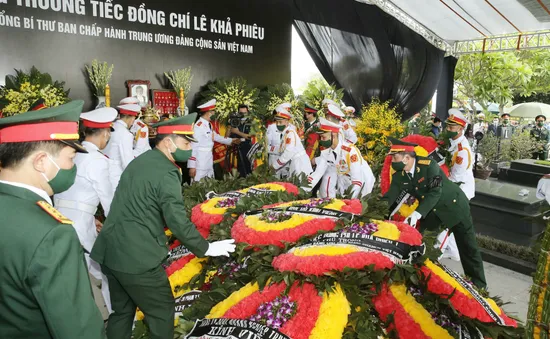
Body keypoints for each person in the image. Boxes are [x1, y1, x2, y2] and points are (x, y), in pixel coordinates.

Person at [91, 113, 236, 339]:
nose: (189, 148)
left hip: (112, 250)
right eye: (186, 142)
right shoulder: (167, 171)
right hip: (137, 257)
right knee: (161, 312)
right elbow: (175, 219)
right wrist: (205, 247)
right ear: (168, 143)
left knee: (122, 312)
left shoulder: (141, 161)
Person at [0, 100, 106, 338]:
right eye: (70, 158)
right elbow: (77, 328)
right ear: (41, 162)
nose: (72, 167)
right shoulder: (52, 233)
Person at [382, 137, 487, 289]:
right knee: (420, 245)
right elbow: (389, 198)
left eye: (395, 157)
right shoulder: (400, 176)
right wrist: (375, 212)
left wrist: (417, 214)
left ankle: (479, 286)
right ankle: (420, 281)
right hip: (432, 212)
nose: (392, 160)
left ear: (406, 158)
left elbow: (435, 192)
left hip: (454, 206)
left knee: (468, 247)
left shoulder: (429, 166)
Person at [53, 107, 118, 314]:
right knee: (99, 272)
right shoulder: (97, 160)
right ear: (106, 133)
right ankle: (107, 315)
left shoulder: (73, 153)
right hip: (81, 225)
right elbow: (109, 202)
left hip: (59, 218)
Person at [306, 118, 375, 198]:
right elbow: (317, 173)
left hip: (363, 183)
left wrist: (350, 200)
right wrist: (301, 189)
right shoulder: (327, 152)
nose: (321, 140)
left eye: (323, 137)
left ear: (334, 135)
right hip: (345, 182)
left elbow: (357, 180)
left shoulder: (350, 151)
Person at [188, 99, 240, 182]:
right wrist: (192, 166)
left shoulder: (208, 124)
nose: (214, 114)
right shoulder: (198, 127)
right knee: (197, 186)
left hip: (208, 160)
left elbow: (216, 136)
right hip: (199, 163)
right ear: (209, 113)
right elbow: (193, 147)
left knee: (210, 184)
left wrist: (231, 140)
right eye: (213, 112)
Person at [103, 98, 149, 188]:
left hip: (106, 173)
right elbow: (127, 162)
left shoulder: (112, 127)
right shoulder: (125, 134)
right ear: (132, 118)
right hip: (117, 176)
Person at [271, 107, 313, 178]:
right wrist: (268, 148)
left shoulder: (290, 133)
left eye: (280, 122)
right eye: (277, 122)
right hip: (295, 162)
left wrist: (275, 165)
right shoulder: (286, 133)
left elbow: (288, 152)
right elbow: (281, 148)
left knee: (300, 187)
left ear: (287, 122)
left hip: (300, 164)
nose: (278, 124)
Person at [266, 103, 295, 178]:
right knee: (274, 182)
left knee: (287, 183)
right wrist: (277, 150)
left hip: (287, 161)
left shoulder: (292, 128)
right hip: (274, 158)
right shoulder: (271, 127)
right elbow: (266, 146)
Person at [229, 104, 254, 177]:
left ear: (248, 112)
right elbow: (227, 137)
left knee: (249, 169)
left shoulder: (252, 122)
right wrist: (229, 127)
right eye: (241, 113)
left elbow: (250, 137)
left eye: (245, 113)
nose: (243, 115)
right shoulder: (235, 121)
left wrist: (237, 132)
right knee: (240, 170)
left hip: (249, 148)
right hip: (237, 148)